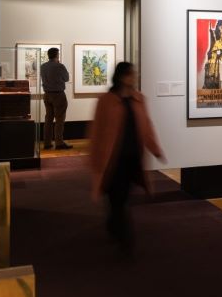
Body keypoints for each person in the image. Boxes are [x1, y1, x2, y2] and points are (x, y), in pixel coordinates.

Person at [88, 62, 165, 249]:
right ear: (122, 76)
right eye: (131, 74)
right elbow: (97, 131)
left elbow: (146, 127)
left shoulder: (139, 99)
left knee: (122, 196)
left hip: (132, 159)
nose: (134, 77)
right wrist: (95, 158)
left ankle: (115, 224)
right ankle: (123, 234)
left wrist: (155, 149)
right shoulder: (105, 101)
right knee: (117, 196)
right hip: (113, 159)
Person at [40, 47, 72, 150]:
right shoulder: (60, 66)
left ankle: (47, 142)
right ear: (57, 55)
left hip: (47, 95)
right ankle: (59, 142)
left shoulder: (43, 66)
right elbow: (67, 78)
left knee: (48, 119)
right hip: (58, 95)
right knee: (59, 119)